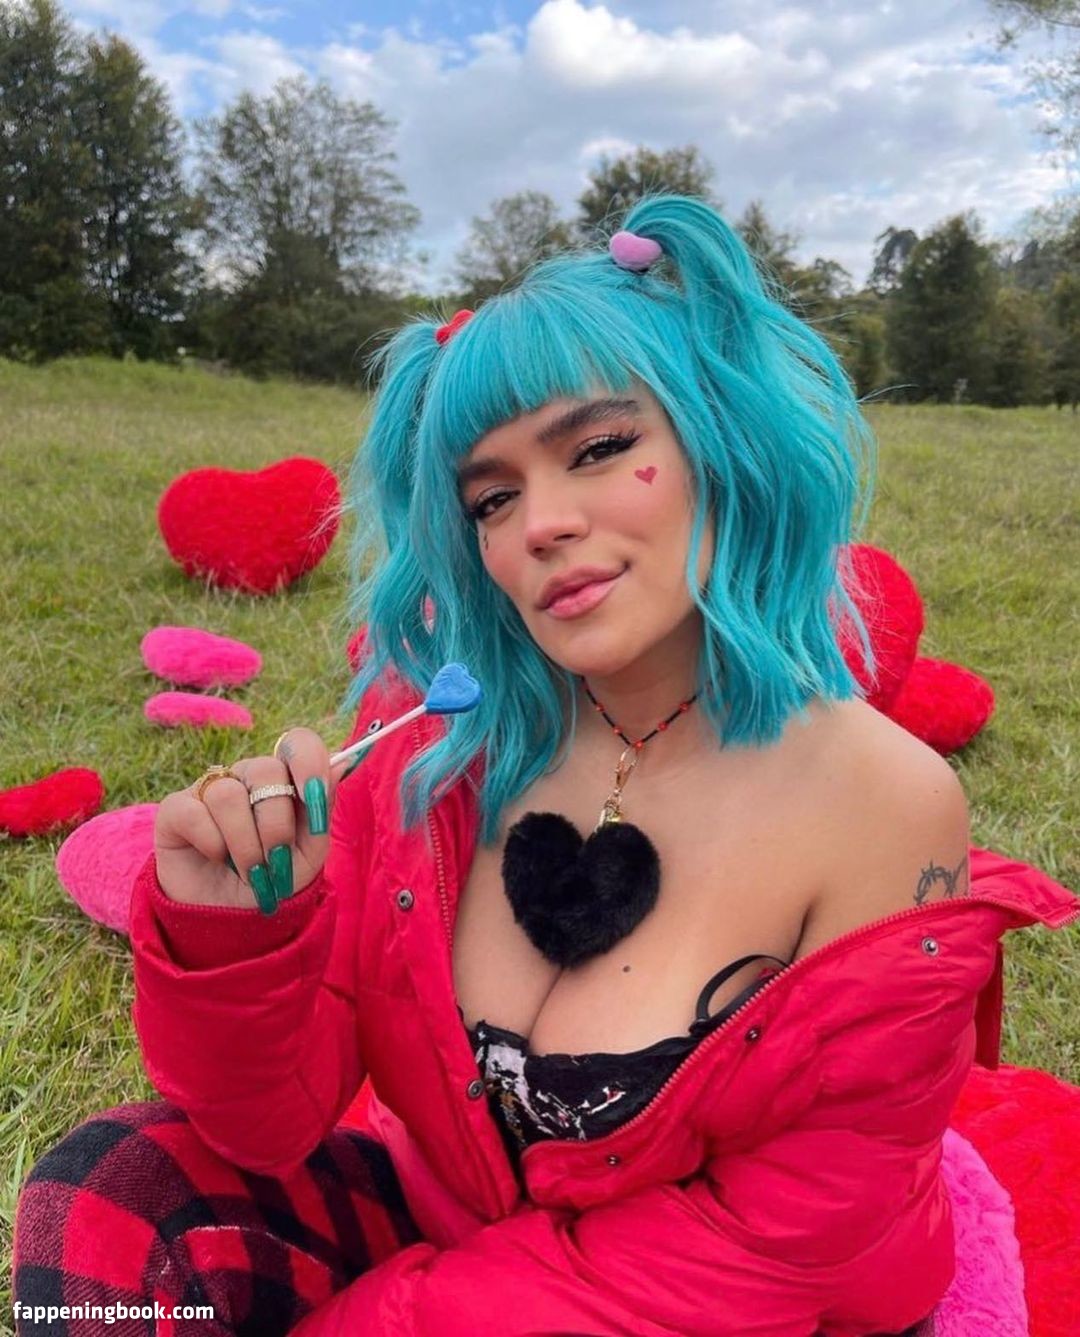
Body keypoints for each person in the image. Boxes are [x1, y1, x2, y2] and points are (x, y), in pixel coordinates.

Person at [12, 194, 1077, 1336]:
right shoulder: (433, 749)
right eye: (494, 496)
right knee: (109, 1191)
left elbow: (776, 1249)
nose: (541, 524)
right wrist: (236, 941)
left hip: (728, 1306)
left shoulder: (881, 798)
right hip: (453, 1229)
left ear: (719, 440)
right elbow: (267, 1123)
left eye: (601, 448)